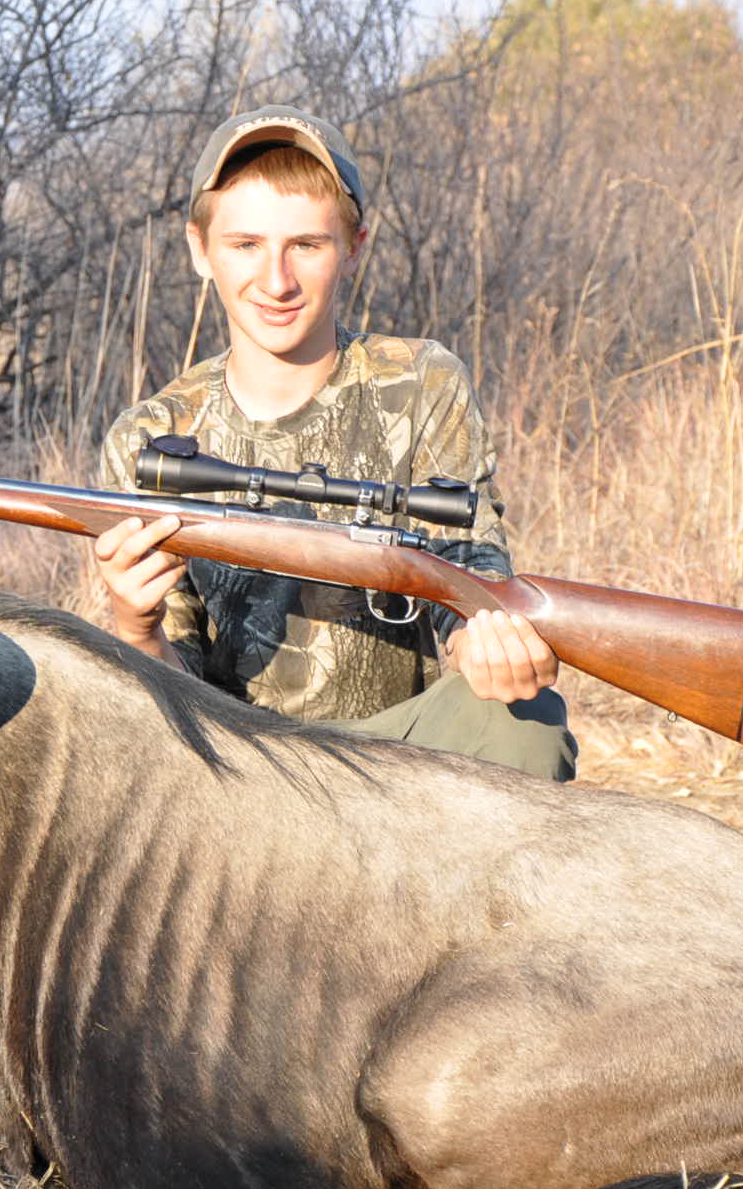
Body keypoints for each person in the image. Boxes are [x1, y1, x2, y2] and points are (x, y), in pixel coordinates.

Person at [92, 106, 577, 780]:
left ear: (354, 248)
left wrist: (483, 641)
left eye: (307, 245)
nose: (276, 280)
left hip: (403, 756)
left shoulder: (420, 382)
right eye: (245, 245)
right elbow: (169, 702)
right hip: (240, 767)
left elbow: (470, 569)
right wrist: (134, 625)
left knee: (525, 721)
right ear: (200, 251)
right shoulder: (150, 436)